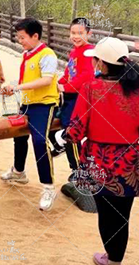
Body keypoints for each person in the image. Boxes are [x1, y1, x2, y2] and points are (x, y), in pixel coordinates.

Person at [62, 37, 139, 265]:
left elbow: (76, 130)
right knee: (123, 216)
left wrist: (63, 136)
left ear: (102, 64)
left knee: (106, 215)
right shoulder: (136, 87)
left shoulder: (91, 88)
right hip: (130, 163)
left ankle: (111, 258)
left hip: (99, 162)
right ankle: (116, 259)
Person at [0, 18, 60, 212]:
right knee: (19, 136)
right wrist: (13, 88)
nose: (20, 41)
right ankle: (19, 171)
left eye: (22, 37)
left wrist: (17, 87)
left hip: (44, 104)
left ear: (35, 36)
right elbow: (27, 80)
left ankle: (48, 187)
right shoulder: (27, 54)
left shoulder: (47, 54)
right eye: (18, 38)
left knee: (39, 141)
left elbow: (46, 80)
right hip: (26, 103)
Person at [49, 17, 95, 174]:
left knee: (71, 131)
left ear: (89, 33)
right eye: (73, 33)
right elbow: (69, 73)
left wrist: (65, 87)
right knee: (51, 120)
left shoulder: (89, 52)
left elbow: (86, 77)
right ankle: (59, 145)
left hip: (79, 97)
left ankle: (78, 170)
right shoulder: (74, 52)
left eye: (80, 33)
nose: (76, 36)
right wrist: (56, 84)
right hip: (68, 95)